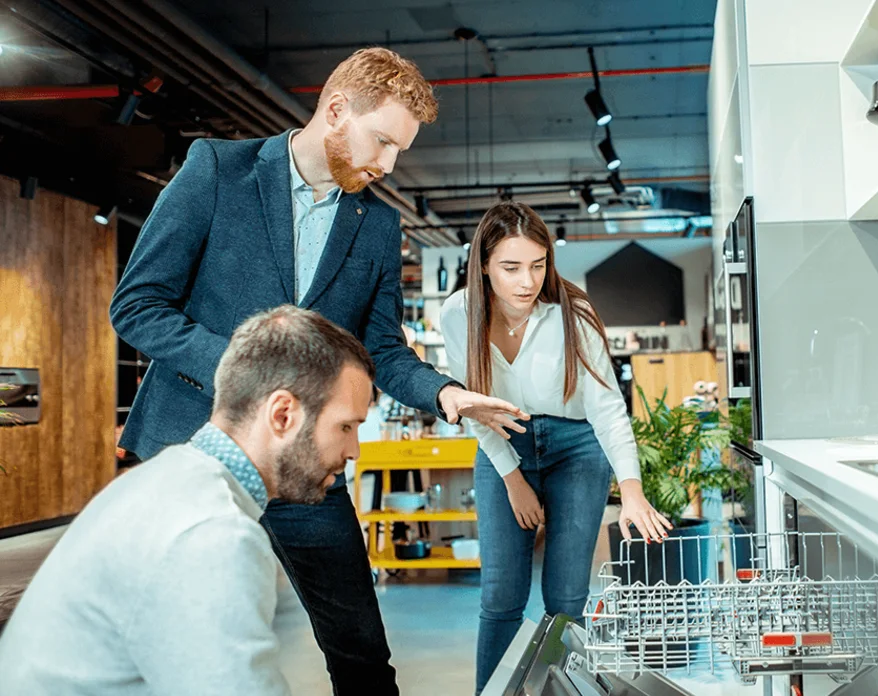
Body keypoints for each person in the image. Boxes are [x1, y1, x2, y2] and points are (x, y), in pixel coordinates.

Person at [108, 47, 527, 694]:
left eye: (399, 151)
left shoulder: (377, 223)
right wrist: (251, 369)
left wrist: (445, 394)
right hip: (195, 449)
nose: (388, 165)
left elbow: (380, 350)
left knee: (361, 654)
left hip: (308, 466)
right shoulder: (218, 171)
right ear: (336, 111)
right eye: (382, 141)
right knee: (171, 653)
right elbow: (137, 305)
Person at [0, 305, 374, 695]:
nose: (354, 451)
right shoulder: (215, 535)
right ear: (282, 414)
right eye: (346, 426)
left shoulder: (168, 481)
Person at [440, 201, 673, 693]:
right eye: (510, 267)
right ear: (483, 264)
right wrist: (512, 478)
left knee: (567, 598)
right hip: (504, 440)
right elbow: (475, 406)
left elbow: (607, 408)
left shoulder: (574, 311)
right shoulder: (458, 313)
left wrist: (631, 490)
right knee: (501, 596)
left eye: (538, 265)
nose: (527, 281)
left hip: (576, 448)